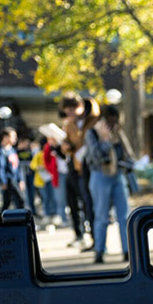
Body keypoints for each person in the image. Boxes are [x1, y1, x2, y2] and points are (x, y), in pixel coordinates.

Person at [85, 104, 133, 264]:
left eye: (115, 122)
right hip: (100, 175)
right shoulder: (92, 133)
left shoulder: (118, 133)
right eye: (110, 122)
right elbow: (95, 156)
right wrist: (105, 140)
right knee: (101, 215)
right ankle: (99, 250)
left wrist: (130, 163)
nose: (113, 125)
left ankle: (127, 250)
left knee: (124, 216)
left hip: (118, 175)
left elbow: (128, 154)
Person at [61, 94, 101, 250]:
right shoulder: (69, 124)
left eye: (72, 109)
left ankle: (96, 239)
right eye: (67, 111)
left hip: (89, 168)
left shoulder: (93, 122)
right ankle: (81, 235)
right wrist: (65, 147)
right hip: (74, 167)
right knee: (73, 202)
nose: (70, 113)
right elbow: (70, 144)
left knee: (89, 204)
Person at [0, 127, 26, 211]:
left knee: (14, 202)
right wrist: (3, 181)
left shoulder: (12, 150)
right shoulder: (1, 152)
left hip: (15, 179)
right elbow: (0, 167)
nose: (15, 139)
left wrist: (20, 180)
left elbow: (18, 166)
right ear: (5, 137)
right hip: (9, 180)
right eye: (13, 136)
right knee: (17, 201)